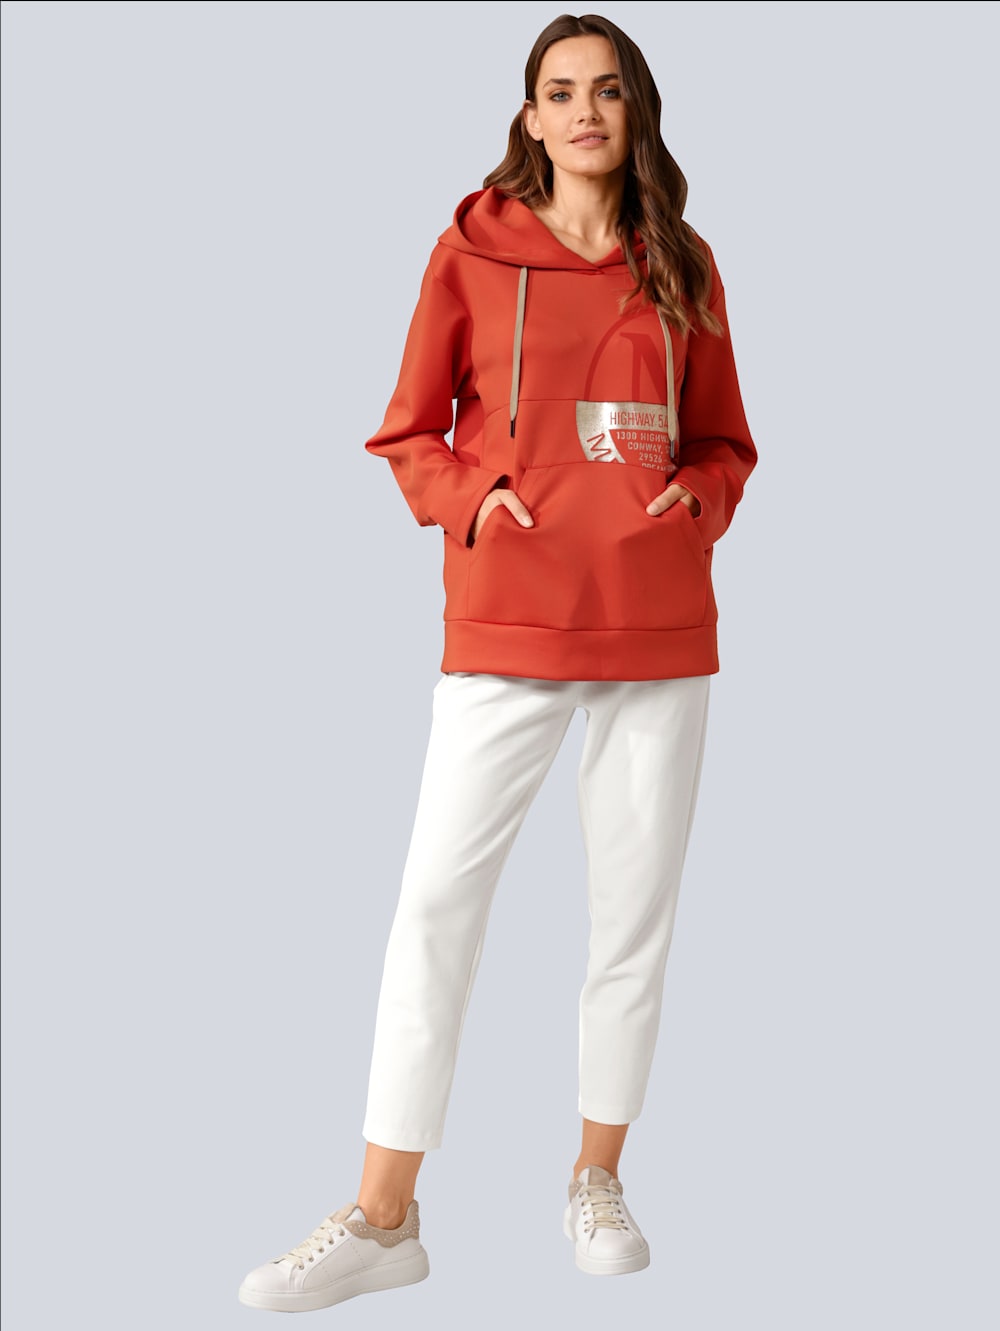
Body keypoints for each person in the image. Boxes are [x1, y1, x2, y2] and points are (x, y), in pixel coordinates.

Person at [239, 11, 756, 1312]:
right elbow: (409, 434)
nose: (584, 111)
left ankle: (597, 1177)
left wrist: (694, 502)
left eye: (607, 90)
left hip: (656, 625)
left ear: (636, 110)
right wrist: (476, 500)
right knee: (436, 910)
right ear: (530, 117)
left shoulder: (683, 262)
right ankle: (384, 1218)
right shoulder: (468, 257)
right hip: (506, 622)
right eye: (559, 91)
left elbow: (726, 444)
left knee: (631, 918)